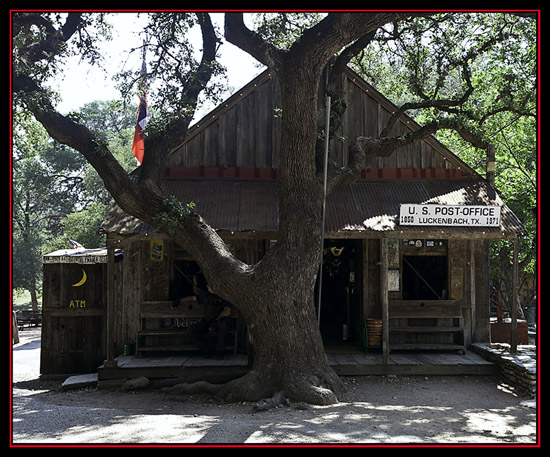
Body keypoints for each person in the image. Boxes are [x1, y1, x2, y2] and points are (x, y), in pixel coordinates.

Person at [188, 285, 232, 359]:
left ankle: (220, 352)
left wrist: (218, 319)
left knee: (222, 325)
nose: (207, 286)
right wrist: (179, 300)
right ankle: (208, 350)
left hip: (220, 321)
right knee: (192, 329)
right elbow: (193, 298)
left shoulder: (223, 296)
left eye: (209, 285)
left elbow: (227, 310)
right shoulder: (205, 295)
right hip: (207, 321)